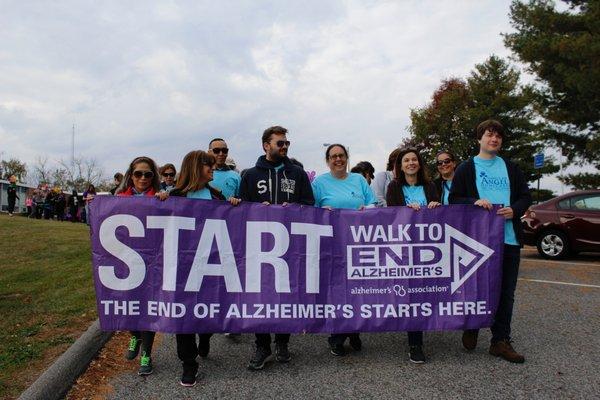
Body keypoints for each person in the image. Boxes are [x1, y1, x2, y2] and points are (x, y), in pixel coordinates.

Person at [449, 119, 531, 363]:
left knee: (506, 293)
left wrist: (514, 210)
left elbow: (525, 196)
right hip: (478, 242)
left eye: (498, 136)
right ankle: (473, 324)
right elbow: (454, 199)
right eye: (489, 135)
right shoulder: (466, 168)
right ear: (479, 139)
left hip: (508, 239)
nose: (494, 139)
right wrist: (473, 202)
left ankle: (500, 341)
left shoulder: (511, 167)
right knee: (476, 287)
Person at [239, 125, 315, 370]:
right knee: (260, 295)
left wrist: (291, 208)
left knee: (287, 293)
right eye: (279, 143)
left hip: (290, 245)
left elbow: (308, 203)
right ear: (266, 145)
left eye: (286, 143)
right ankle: (262, 345)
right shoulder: (250, 175)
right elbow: (241, 210)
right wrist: (255, 207)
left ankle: (283, 342)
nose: (284, 147)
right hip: (259, 246)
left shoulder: (297, 173)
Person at [168, 150, 239, 387]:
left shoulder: (218, 198)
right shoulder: (175, 196)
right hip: (182, 268)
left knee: (208, 310)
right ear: (196, 168)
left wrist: (235, 207)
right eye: (208, 165)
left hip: (212, 266)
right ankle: (189, 364)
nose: (213, 169)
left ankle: (206, 335)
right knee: (184, 316)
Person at [312, 144, 377, 356]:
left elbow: (373, 204)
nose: (338, 159)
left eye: (341, 156)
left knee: (358, 289)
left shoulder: (358, 180)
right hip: (332, 244)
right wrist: (322, 211)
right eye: (333, 156)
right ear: (327, 160)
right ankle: (337, 334)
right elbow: (309, 210)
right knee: (337, 290)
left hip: (358, 243)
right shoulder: (319, 183)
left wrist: (365, 209)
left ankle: (354, 329)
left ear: (347, 157)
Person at [385, 147, 440, 364]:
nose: (410, 163)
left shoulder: (430, 186)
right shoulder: (394, 187)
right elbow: (390, 213)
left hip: (427, 247)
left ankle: (418, 339)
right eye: (406, 160)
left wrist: (436, 206)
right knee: (409, 294)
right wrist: (405, 209)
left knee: (421, 293)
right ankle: (414, 343)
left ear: (419, 163)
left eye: (414, 159)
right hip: (403, 248)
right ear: (400, 165)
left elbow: (440, 215)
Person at [115, 156, 163, 375]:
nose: (143, 178)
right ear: (131, 175)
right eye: (138, 174)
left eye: (148, 174)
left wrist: (167, 201)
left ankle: (146, 353)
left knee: (148, 308)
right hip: (127, 262)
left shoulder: (162, 198)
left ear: (154, 177)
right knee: (128, 304)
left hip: (153, 263)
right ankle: (134, 334)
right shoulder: (118, 198)